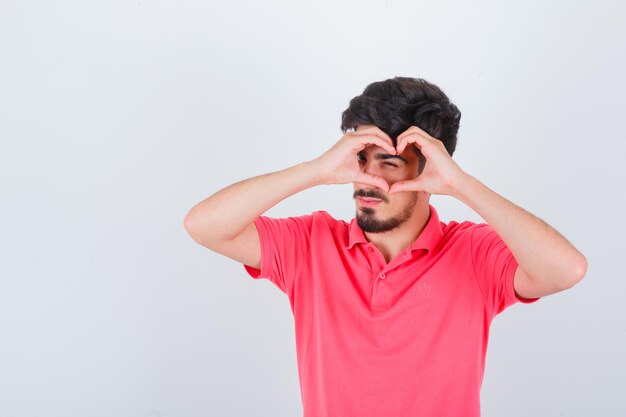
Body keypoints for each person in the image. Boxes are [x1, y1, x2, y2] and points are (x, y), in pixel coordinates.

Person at [183, 76, 587, 417]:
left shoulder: (473, 253)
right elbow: (203, 226)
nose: (368, 180)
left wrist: (461, 185)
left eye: (389, 164)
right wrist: (314, 172)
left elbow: (566, 269)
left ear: (431, 171)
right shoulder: (310, 245)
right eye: (362, 160)